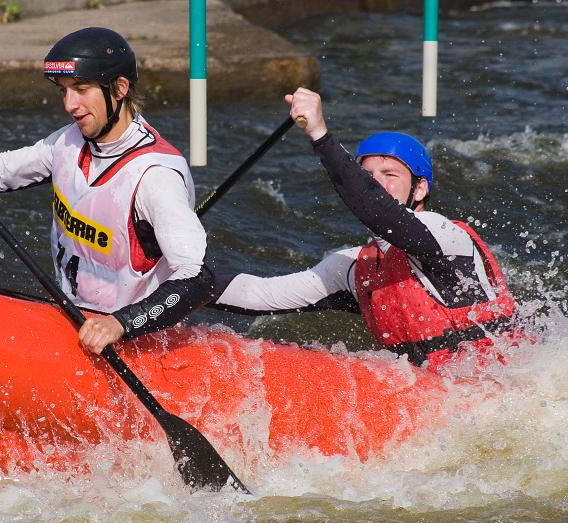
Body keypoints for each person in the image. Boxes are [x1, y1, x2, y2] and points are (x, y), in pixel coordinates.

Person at [0, 27, 214, 355]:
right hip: (71, 322)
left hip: (132, 342)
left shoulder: (155, 177)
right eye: (64, 91)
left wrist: (120, 324)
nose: (70, 105)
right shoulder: (67, 142)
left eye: (81, 89)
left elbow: (198, 277)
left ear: (119, 88)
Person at [213, 88, 518, 371]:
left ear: (420, 188)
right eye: (368, 175)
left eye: (390, 174)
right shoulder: (352, 267)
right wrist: (183, 281)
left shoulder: (443, 234)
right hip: (433, 393)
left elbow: (376, 209)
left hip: (501, 382)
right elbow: (261, 295)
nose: (377, 183)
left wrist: (319, 134)